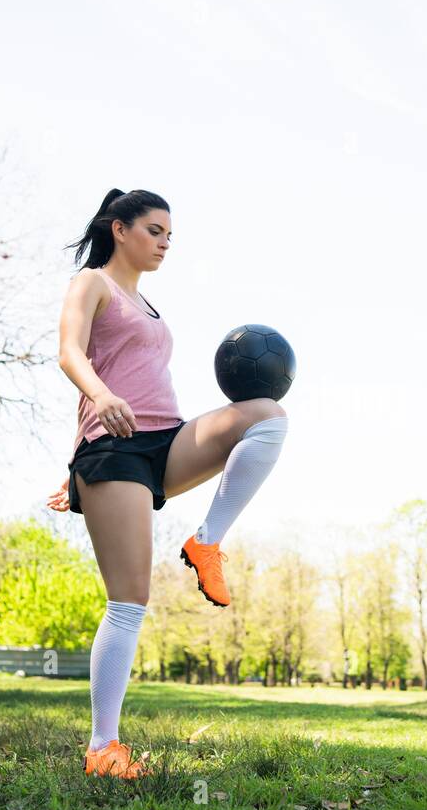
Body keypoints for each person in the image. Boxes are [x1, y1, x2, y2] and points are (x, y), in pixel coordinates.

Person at [46, 189, 289, 779]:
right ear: (119, 228)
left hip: (166, 440)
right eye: (154, 231)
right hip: (115, 447)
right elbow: (69, 353)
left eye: (169, 236)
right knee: (129, 601)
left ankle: (207, 541)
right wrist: (99, 400)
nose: (164, 243)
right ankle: (103, 748)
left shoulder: (147, 304)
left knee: (266, 417)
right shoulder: (92, 284)